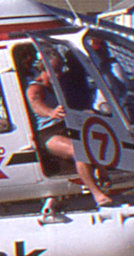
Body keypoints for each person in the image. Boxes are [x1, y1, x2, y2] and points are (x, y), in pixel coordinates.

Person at [24, 52, 115, 208]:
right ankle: (96, 193)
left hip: (64, 128)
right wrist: (51, 112)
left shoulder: (57, 87)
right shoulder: (35, 88)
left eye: (60, 70)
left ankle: (103, 173)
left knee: (96, 137)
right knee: (78, 150)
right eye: (55, 71)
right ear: (44, 69)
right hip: (48, 133)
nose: (59, 74)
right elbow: (36, 105)